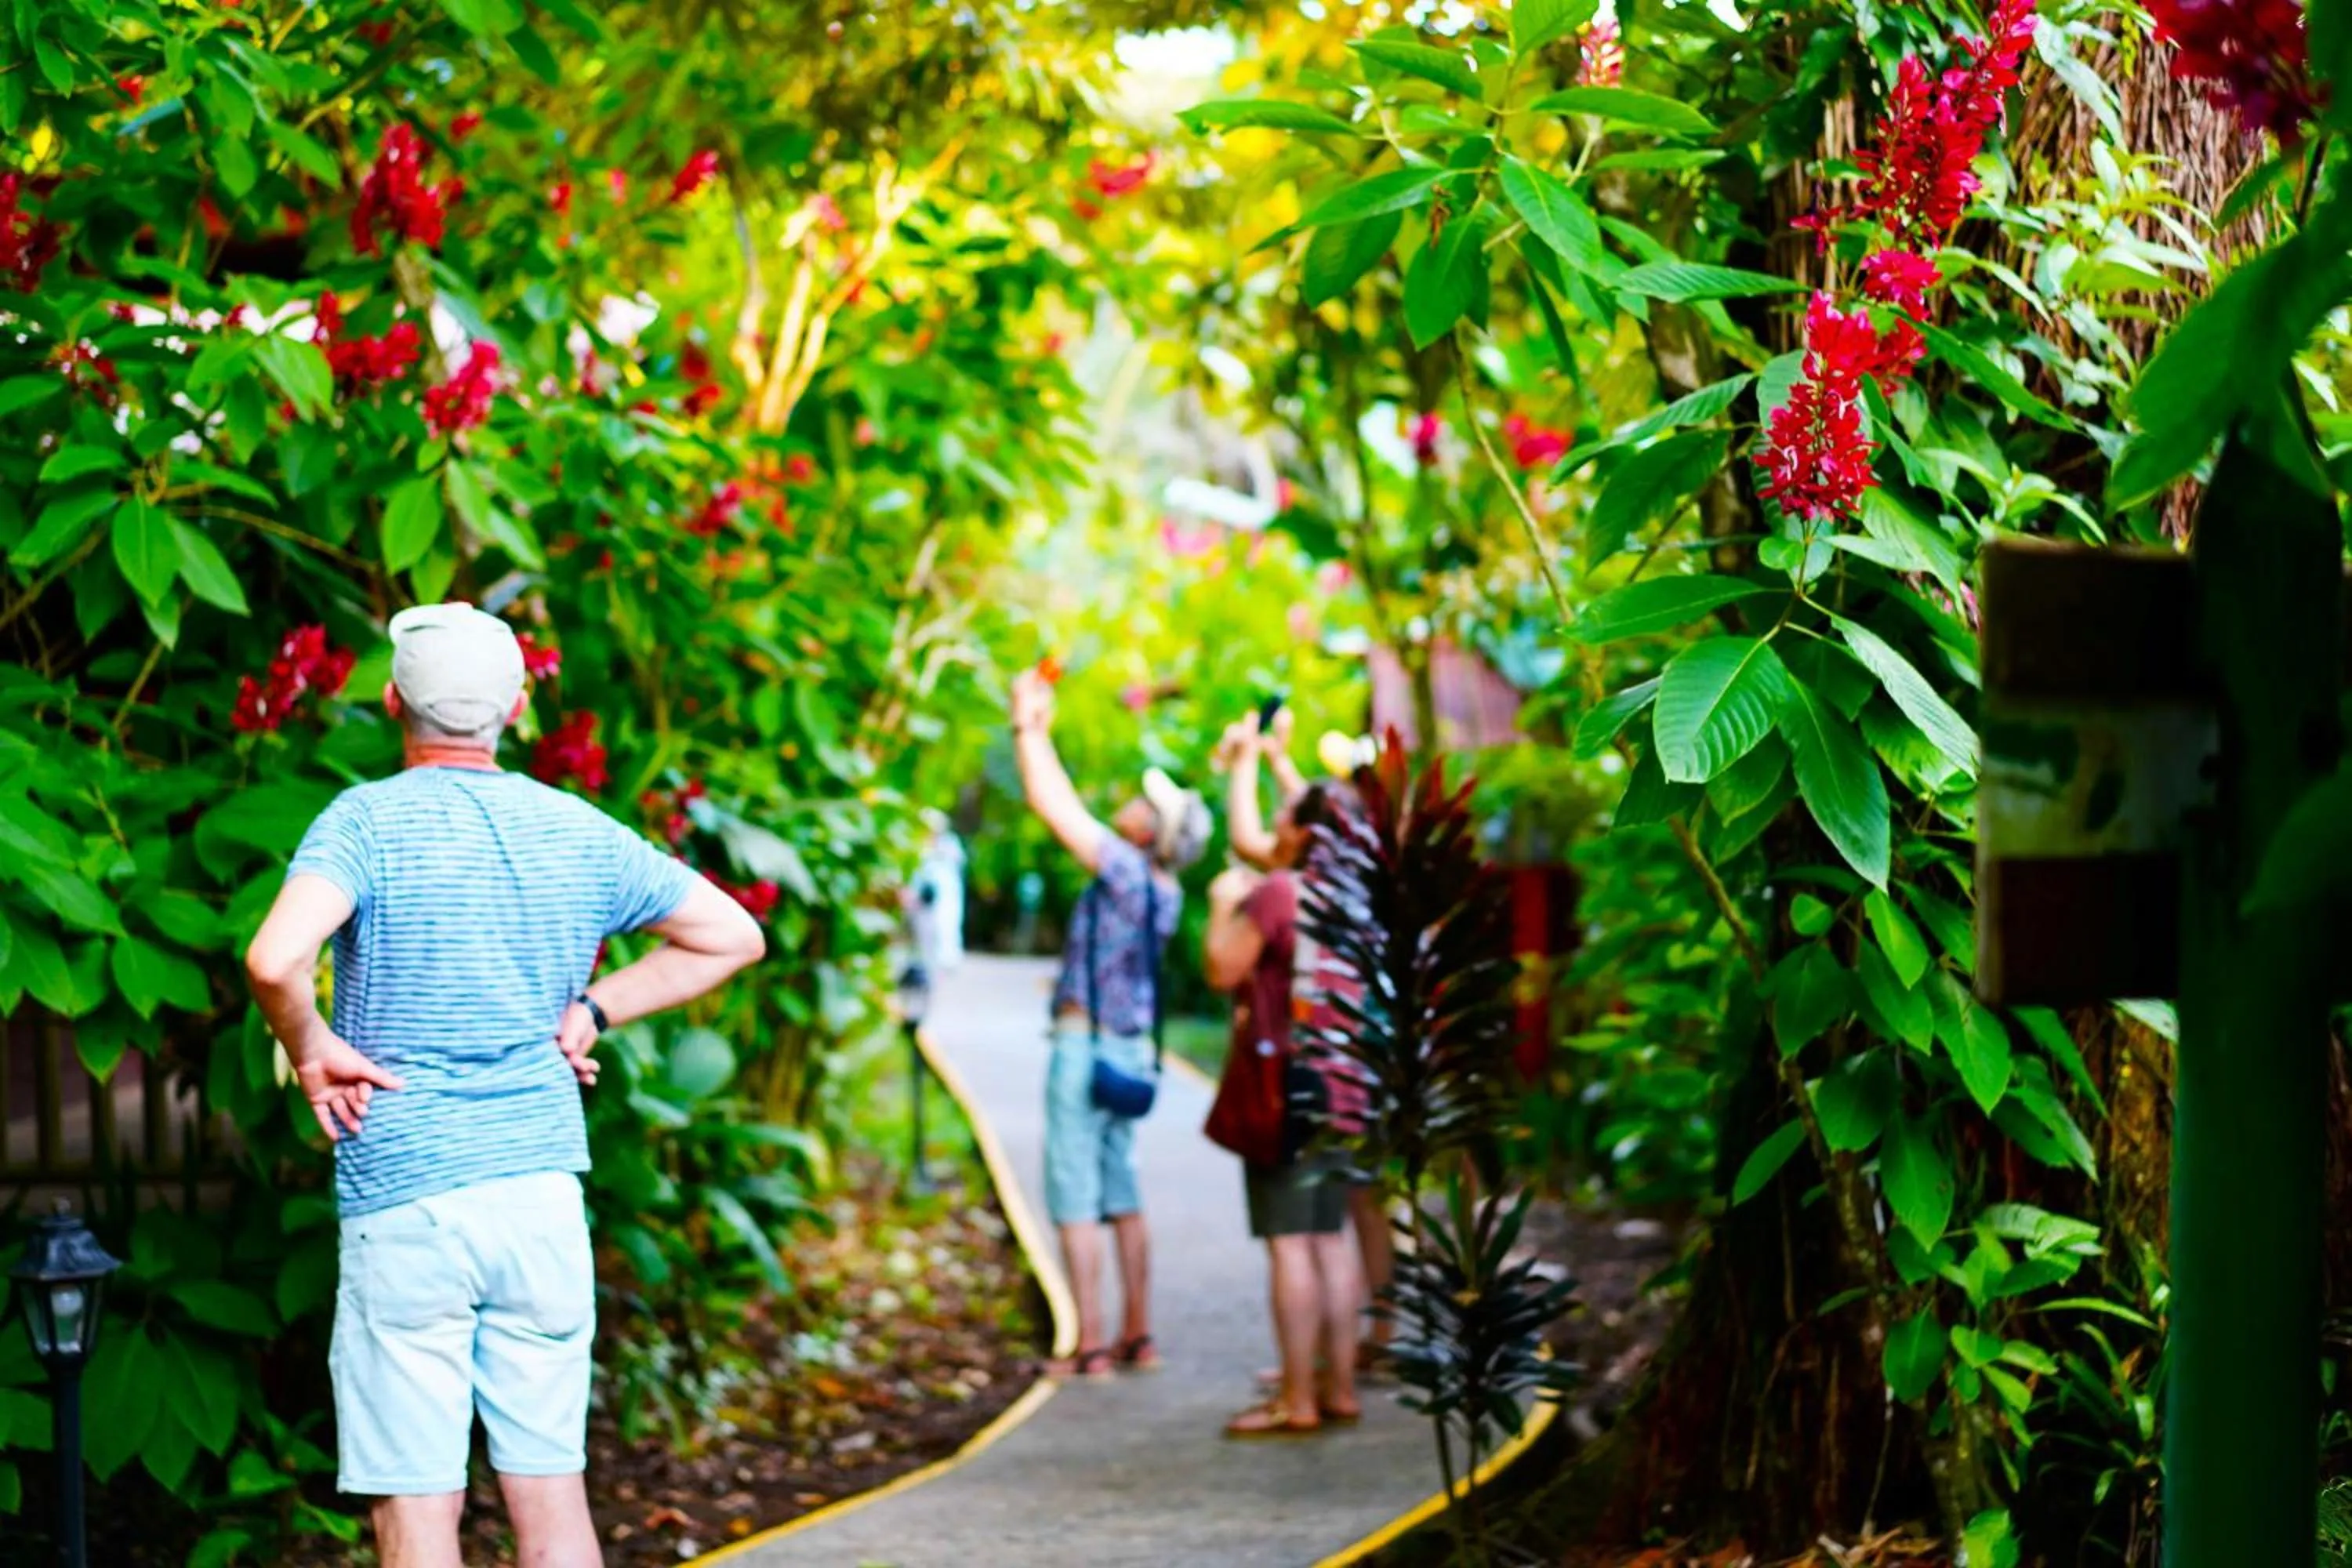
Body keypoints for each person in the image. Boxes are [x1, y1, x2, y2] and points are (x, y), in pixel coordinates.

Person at [243, 603, 766, 1568]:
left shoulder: (363, 821)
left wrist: (311, 1044)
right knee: (551, 1494)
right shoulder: (577, 829)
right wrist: (596, 1009)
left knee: (419, 1510)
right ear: (517, 706)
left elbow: (276, 958)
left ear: (393, 700)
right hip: (540, 1198)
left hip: (411, 1200)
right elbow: (734, 934)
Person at [1008, 666, 1206, 1381]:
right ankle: (1138, 1335)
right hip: (1128, 1054)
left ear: (1152, 832)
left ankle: (1088, 1344)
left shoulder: (1123, 870)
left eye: (1144, 804)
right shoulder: (1167, 891)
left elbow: (1048, 801)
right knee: (1123, 1190)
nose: (1130, 803)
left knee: (1074, 1192)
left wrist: (1028, 723)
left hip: (1084, 1046)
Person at [1205, 715, 1363, 1438]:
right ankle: (1340, 1388)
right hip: (1348, 1083)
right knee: (1332, 1237)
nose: (1274, 825)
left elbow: (1222, 970)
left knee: (1292, 1245)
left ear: (1302, 834)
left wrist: (1217, 910)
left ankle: (1296, 1399)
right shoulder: (1357, 897)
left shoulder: (1279, 895)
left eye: (1283, 818)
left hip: (1289, 1090)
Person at [1227, 710, 1395, 1375]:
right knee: (1348, 1215)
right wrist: (1274, 761)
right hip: (1366, 1064)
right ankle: (1347, 1357)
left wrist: (1247, 760)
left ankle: (1312, 1379)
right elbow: (1311, 814)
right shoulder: (1365, 871)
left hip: (1307, 1074)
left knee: (1306, 1233)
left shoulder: (1290, 889)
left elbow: (1255, 840)